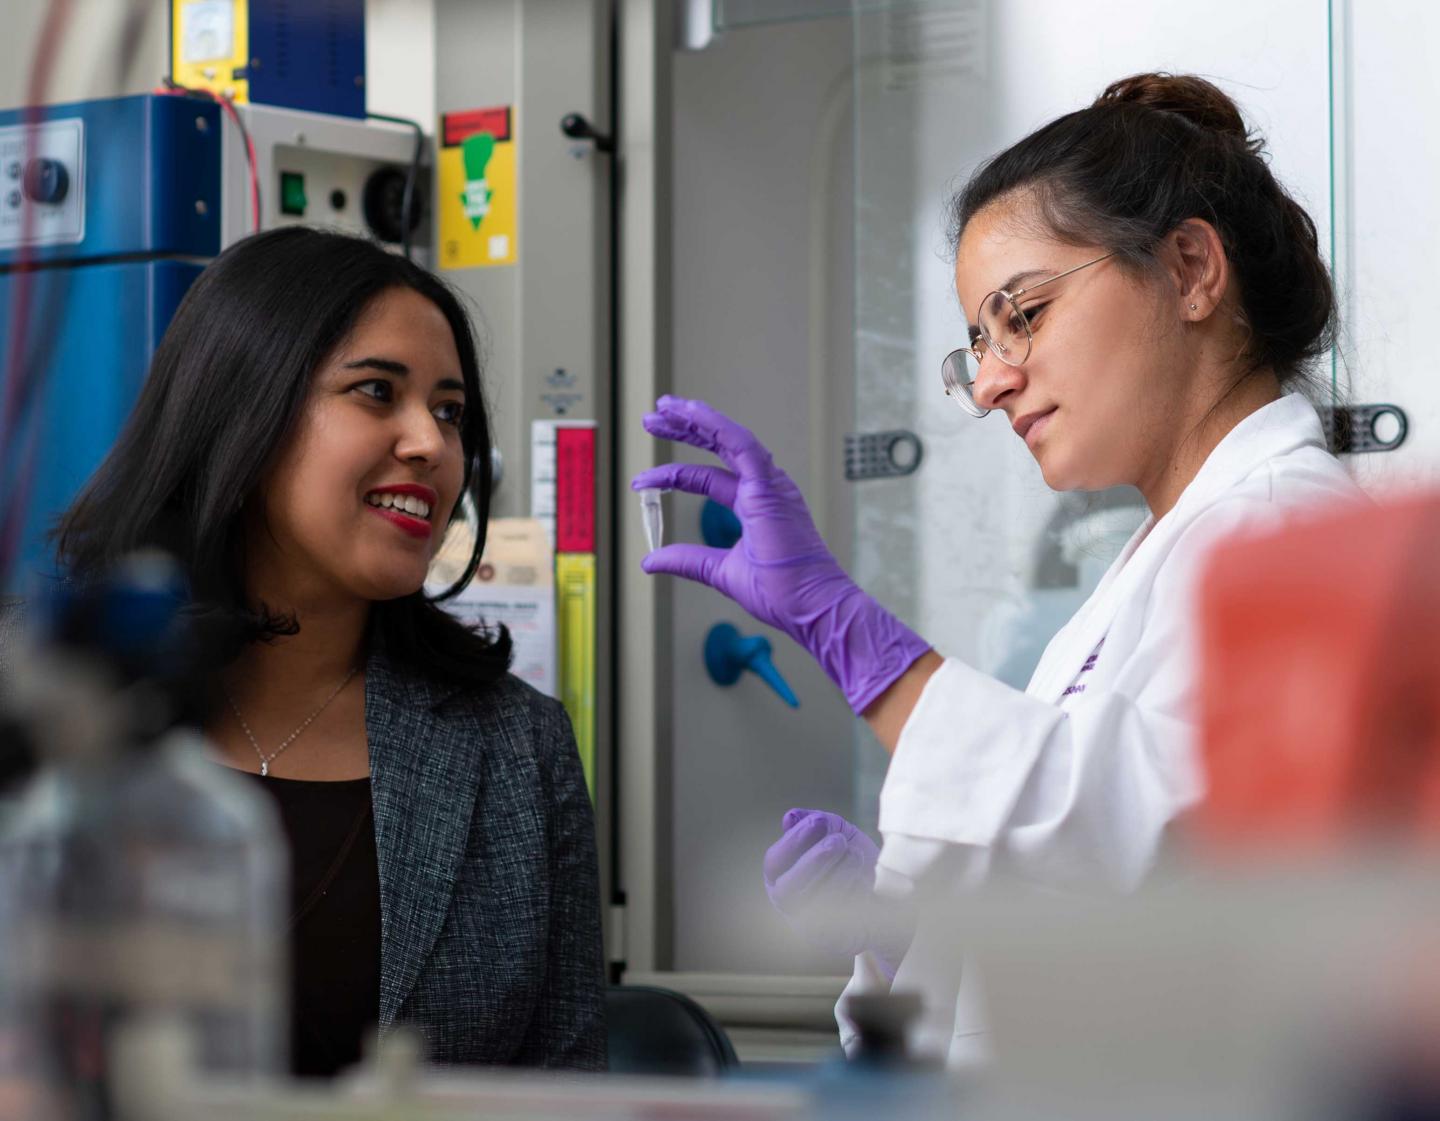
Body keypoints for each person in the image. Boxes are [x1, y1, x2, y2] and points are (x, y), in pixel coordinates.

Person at [632, 73, 1363, 1063]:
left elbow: (1150, 861)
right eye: (976, 340)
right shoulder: (1164, 555)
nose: (988, 381)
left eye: (1021, 315)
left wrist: (857, 638)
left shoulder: (1291, 537)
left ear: (1191, 268)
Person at [48, 227, 606, 1075]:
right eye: (377, 391)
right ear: (242, 411)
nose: (430, 442)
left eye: (450, 411)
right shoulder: (45, 688)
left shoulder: (515, 748)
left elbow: (569, 1088)